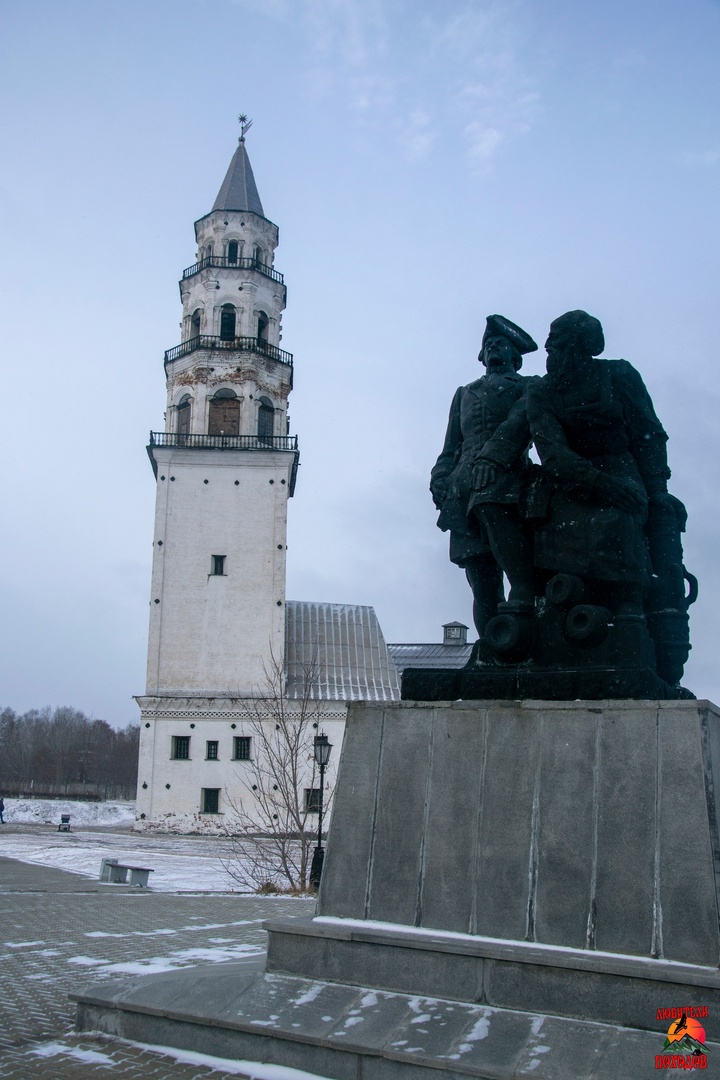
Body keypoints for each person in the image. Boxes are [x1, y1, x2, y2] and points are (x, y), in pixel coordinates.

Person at [524, 310, 672, 616]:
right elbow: (551, 451)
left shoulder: (619, 375)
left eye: (560, 346)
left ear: (581, 346)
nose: (551, 353)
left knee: (621, 517)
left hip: (620, 468)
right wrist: (596, 482)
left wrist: (657, 490)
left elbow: (649, 435)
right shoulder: (541, 391)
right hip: (570, 479)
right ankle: (562, 599)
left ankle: (627, 603)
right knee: (551, 525)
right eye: (551, 347)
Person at [430, 315, 538, 635]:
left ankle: (521, 642)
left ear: (515, 356)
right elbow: (451, 446)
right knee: (481, 580)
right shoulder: (464, 393)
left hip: (509, 482)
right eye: (488, 344)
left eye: (500, 343)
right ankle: (491, 647)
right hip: (463, 491)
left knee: (520, 574)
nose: (493, 346)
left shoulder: (529, 386)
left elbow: (535, 433)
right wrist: (440, 477)